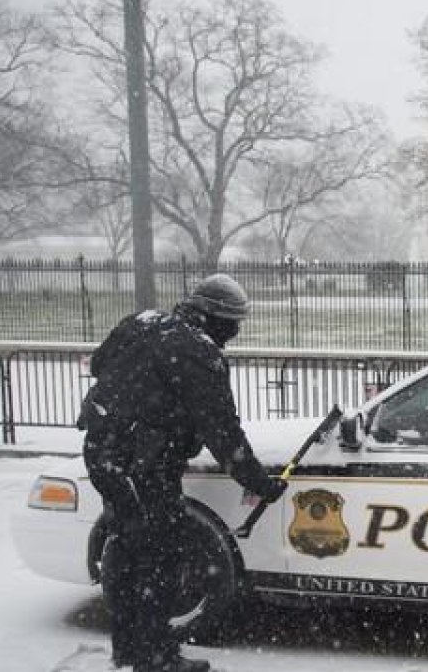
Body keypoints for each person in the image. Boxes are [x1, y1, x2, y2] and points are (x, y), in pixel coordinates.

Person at [79, 274, 287, 672]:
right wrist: (258, 483)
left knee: (127, 550)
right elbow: (222, 431)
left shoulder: (141, 321)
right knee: (160, 557)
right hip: (144, 466)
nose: (235, 332)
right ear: (214, 318)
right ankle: (155, 657)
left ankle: (129, 651)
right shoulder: (198, 352)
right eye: (233, 323)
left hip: (103, 454)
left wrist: (142, 396)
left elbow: (101, 364)